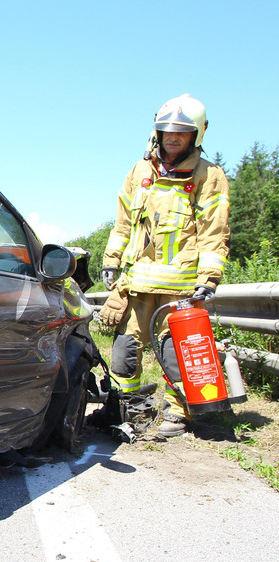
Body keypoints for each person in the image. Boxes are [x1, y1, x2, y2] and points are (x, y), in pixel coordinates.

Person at [100, 94, 230, 437]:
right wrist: (111, 261)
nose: (172, 137)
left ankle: (178, 413)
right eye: (167, 131)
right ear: (157, 132)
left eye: (181, 132)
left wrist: (209, 278)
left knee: (176, 352)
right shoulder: (140, 171)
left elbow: (214, 231)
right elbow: (122, 224)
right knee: (125, 349)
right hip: (137, 283)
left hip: (181, 288)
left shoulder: (208, 175)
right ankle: (126, 408)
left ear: (197, 135)